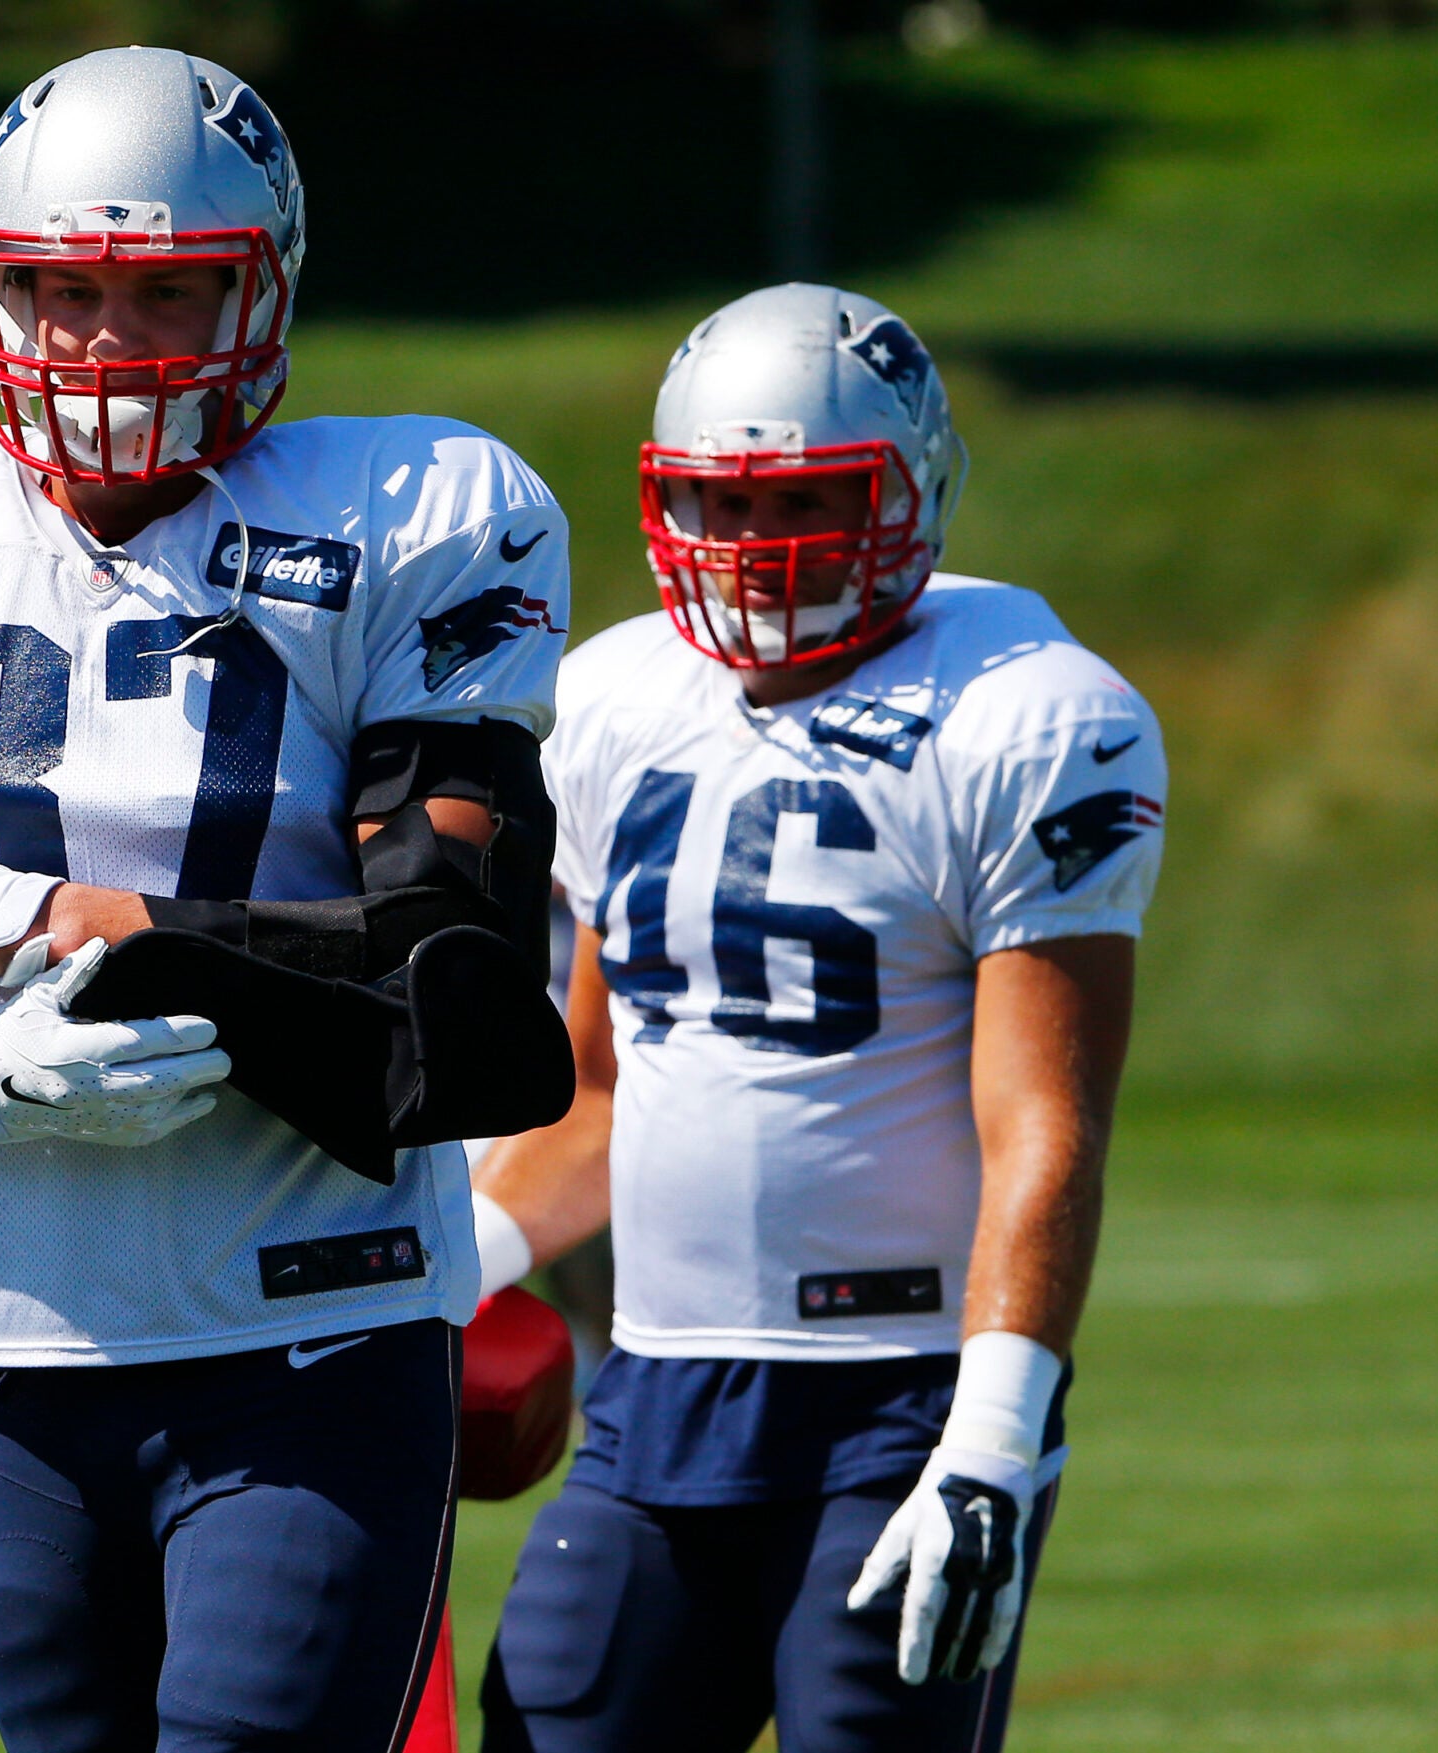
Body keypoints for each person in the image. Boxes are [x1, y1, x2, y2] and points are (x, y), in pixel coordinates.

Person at [0, 46, 569, 1750]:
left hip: (316, 1325)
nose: (107, 341)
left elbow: (453, 1013)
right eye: (63, 289)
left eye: (168, 286)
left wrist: (88, 937)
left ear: (269, 286)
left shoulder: (413, 513)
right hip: (20, 1348)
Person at [467, 283, 1167, 1751]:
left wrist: (993, 1433)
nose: (756, 551)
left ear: (914, 494)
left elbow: (1042, 1118)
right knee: (548, 1719)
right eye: (718, 505)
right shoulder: (613, 699)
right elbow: (590, 1094)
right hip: (658, 1384)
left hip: (905, 1396)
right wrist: (438, 1279)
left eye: (808, 504)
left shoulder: (1030, 716)